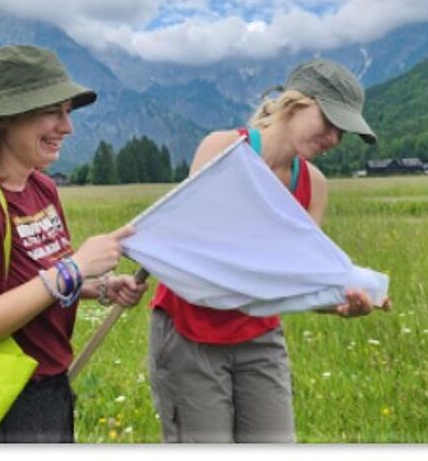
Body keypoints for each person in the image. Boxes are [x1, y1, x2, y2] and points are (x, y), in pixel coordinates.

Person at [0, 44, 148, 443]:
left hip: (47, 390)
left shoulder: (41, 187)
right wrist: (73, 268)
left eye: (68, 111)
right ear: (5, 118)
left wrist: (96, 287)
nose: (67, 126)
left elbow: (30, 285)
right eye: (51, 111)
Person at [147, 58, 391, 443]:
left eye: (342, 133)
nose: (333, 139)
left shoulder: (314, 185)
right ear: (296, 103)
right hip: (189, 333)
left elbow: (292, 283)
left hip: (259, 340)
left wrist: (342, 303)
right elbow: (192, 251)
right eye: (329, 122)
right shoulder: (224, 148)